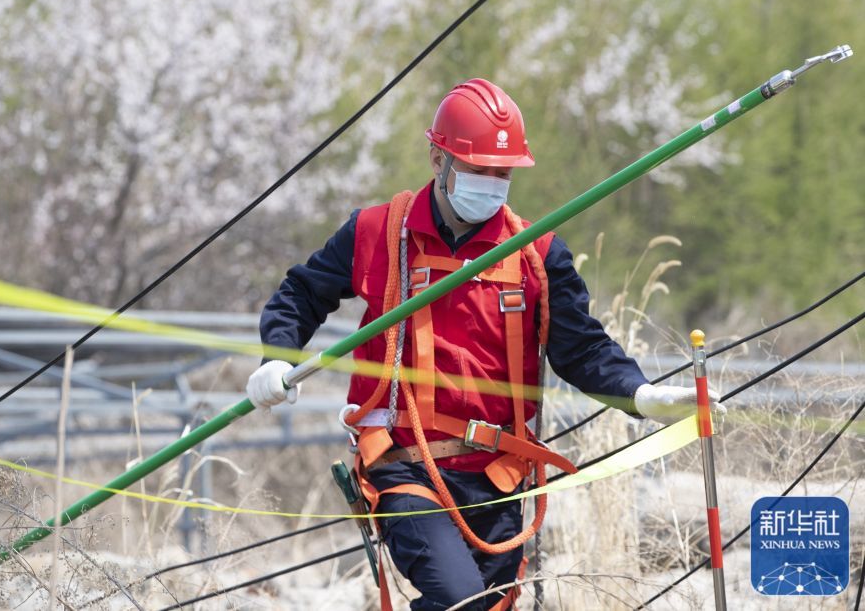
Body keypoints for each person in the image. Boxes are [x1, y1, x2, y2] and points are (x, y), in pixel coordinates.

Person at [246, 78, 723, 610]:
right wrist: (276, 359)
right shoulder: (376, 232)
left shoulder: (538, 254)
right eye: (479, 170)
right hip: (404, 466)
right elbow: (301, 295)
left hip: (498, 478)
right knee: (461, 601)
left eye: (503, 174)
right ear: (438, 159)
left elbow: (582, 350)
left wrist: (642, 395)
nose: (493, 184)